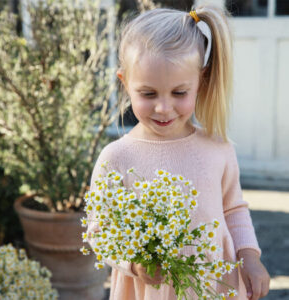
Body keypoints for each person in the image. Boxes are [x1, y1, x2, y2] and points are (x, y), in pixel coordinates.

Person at [86, 4, 270, 300]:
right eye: (148, 94)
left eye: (179, 93)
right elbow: (99, 229)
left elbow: (233, 209)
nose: (163, 107)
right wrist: (133, 262)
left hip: (212, 288)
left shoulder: (217, 147)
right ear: (125, 83)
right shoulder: (116, 157)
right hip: (148, 291)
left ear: (202, 81)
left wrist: (249, 256)